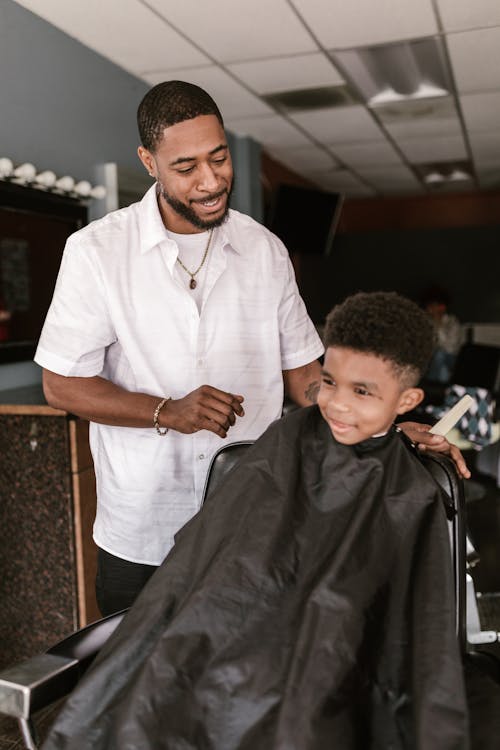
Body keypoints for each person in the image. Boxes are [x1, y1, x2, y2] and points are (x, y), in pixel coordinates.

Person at [34, 81, 468, 617]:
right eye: (186, 167)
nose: (211, 180)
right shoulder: (96, 253)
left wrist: (380, 428)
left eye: (218, 158)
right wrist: (165, 411)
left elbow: (306, 378)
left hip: (255, 522)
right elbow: (61, 384)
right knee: (143, 692)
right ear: (149, 161)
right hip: (143, 534)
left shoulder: (265, 250)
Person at [41, 291, 469, 750]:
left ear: (409, 400)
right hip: (230, 640)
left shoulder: (411, 487)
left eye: (361, 392)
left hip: (332, 663)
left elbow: (408, 625)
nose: (338, 404)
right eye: (329, 383)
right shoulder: (288, 440)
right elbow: (213, 564)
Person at [421, 285, 463, 384]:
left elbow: (450, 349)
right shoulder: (424, 321)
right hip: (429, 363)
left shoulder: (452, 322)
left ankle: (433, 386)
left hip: (451, 360)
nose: (430, 309)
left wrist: (438, 325)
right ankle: (439, 389)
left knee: (440, 355)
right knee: (442, 371)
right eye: (429, 306)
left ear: (442, 307)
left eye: (433, 306)